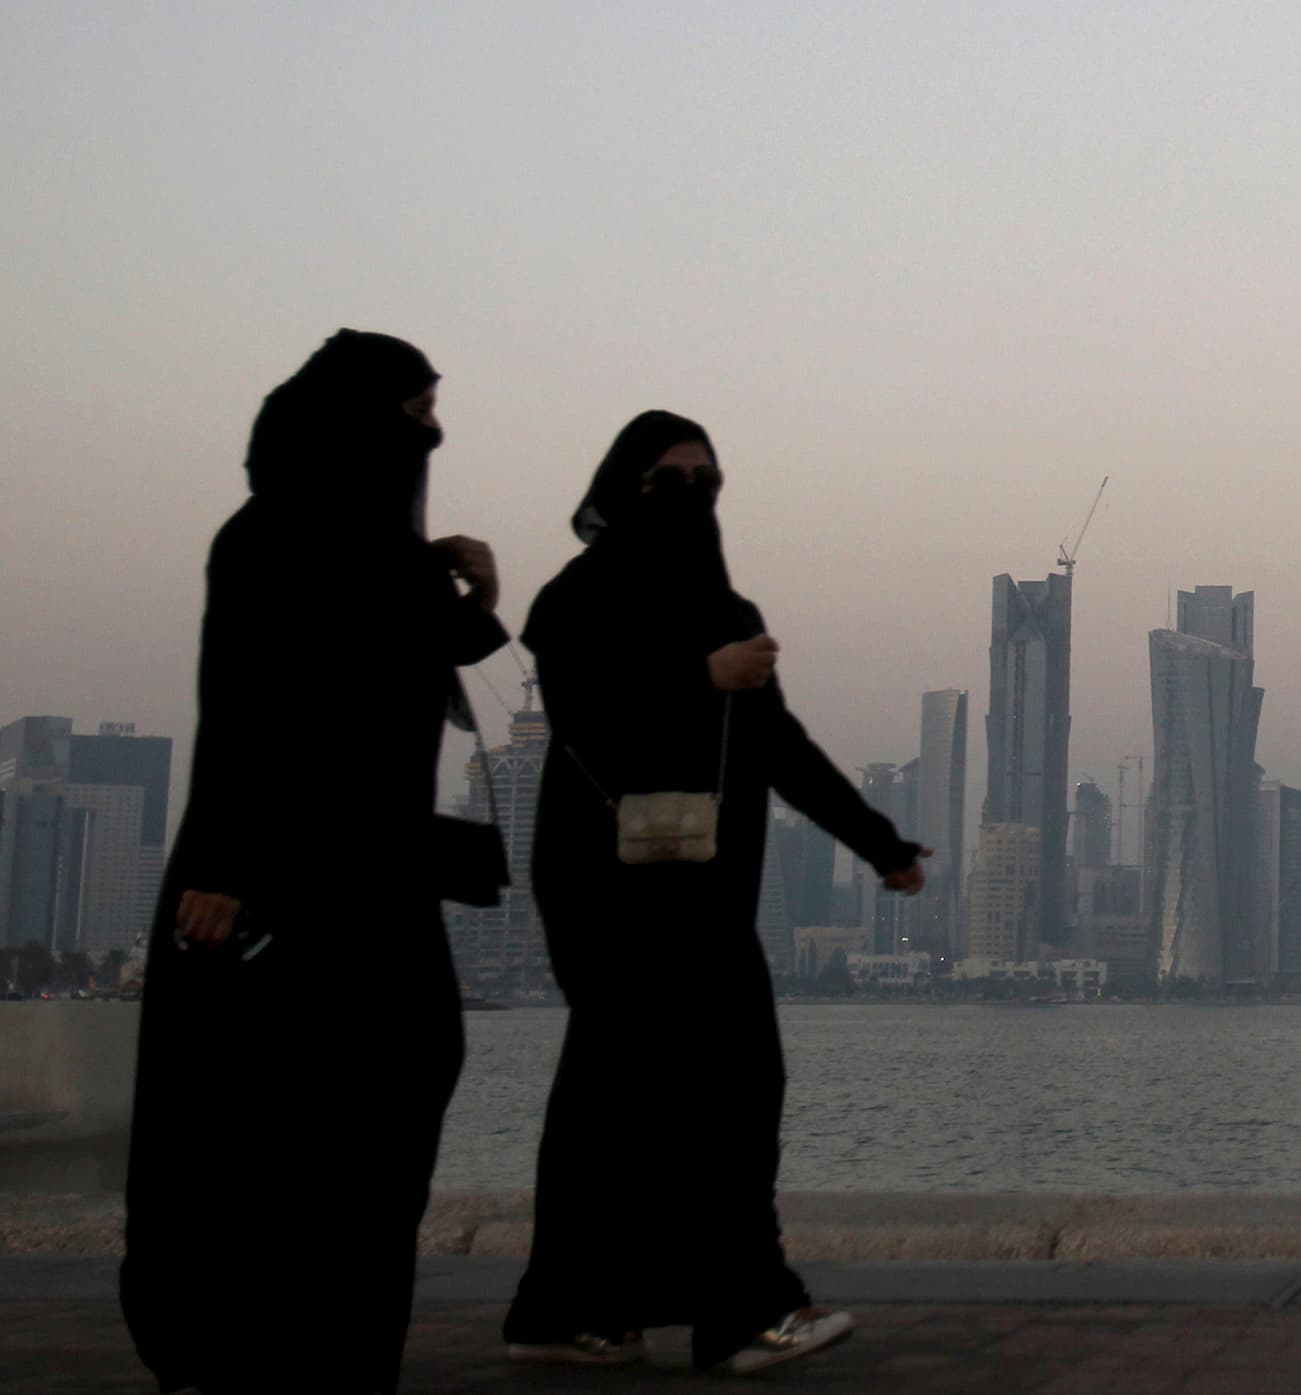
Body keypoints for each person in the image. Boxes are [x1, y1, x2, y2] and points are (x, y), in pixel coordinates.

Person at [121, 331, 507, 1394]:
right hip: (277, 882)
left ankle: (341, 1356)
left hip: (380, 878)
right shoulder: (272, 535)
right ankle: (236, 1346)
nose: (432, 431)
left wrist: (476, 596)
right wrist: (225, 867)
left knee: (392, 1102)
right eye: (415, 410)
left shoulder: (383, 545)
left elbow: (430, 655)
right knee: (270, 1125)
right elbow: (244, 702)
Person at [504, 410, 927, 1376]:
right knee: (732, 1083)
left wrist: (880, 844)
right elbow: (586, 713)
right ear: (623, 487)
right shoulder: (575, 598)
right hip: (607, 886)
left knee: (612, 1099)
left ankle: (568, 1308)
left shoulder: (726, 608)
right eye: (669, 478)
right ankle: (746, 1309)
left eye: (707, 479)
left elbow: (781, 747)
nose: (691, 496)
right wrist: (702, 676)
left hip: (703, 884)